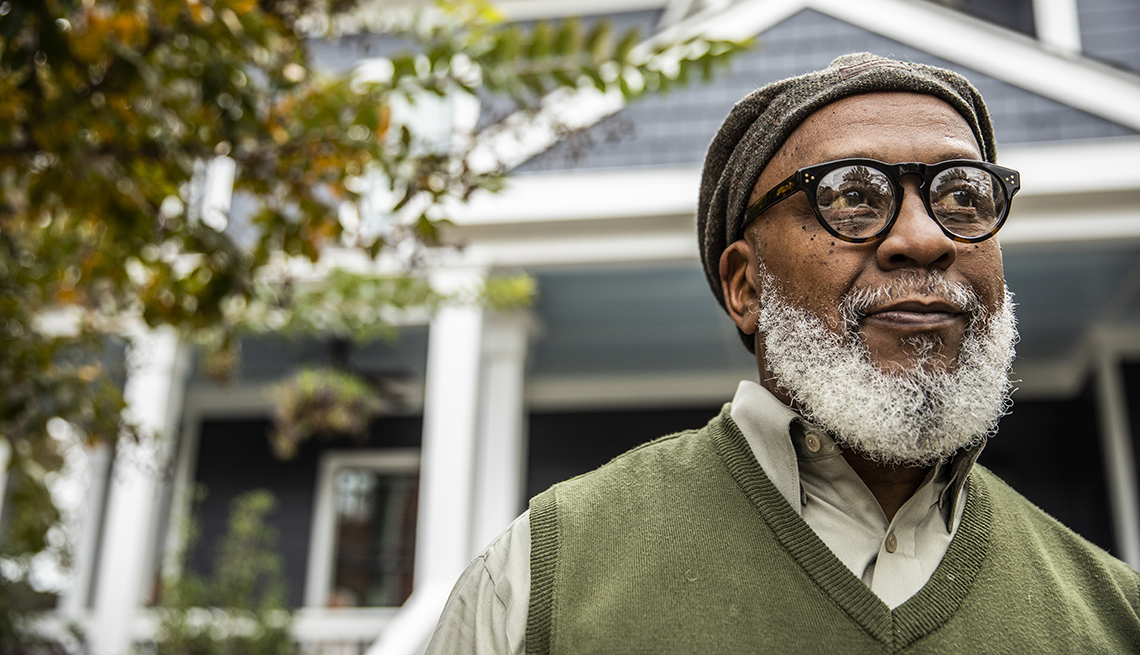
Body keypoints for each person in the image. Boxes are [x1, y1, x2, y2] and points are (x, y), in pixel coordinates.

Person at [426, 53, 1140, 654]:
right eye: (852, 196)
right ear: (746, 285)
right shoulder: (542, 577)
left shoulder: (1114, 614)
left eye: (962, 196)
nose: (925, 238)